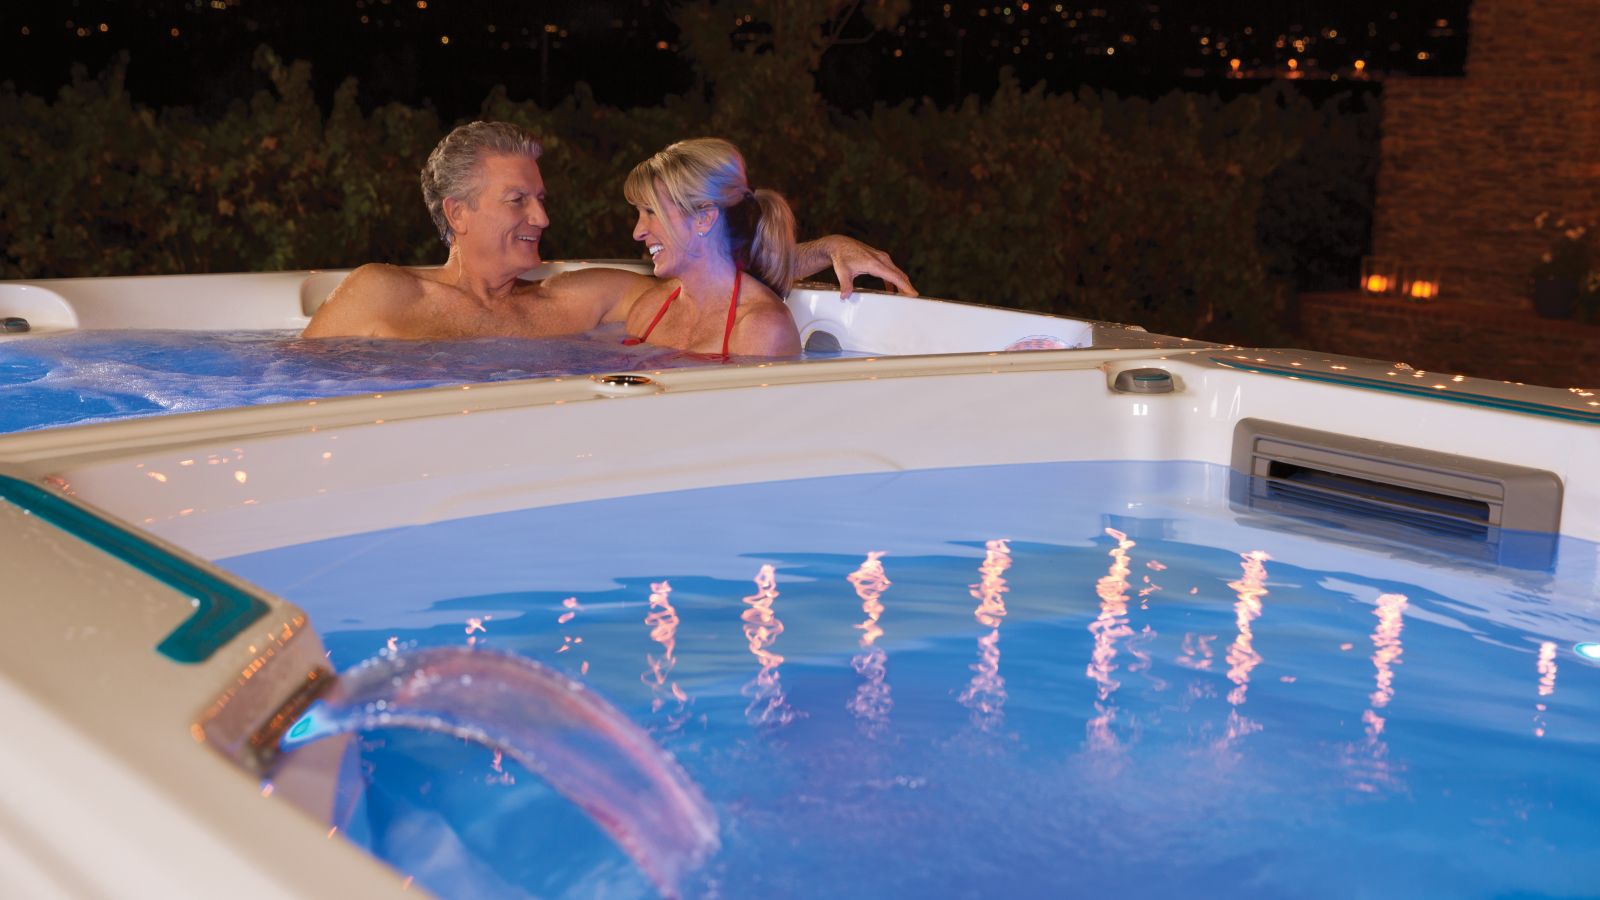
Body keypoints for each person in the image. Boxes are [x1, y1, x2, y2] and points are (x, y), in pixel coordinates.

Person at [303, 121, 912, 346]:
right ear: (457, 214)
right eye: (518, 201)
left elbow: (709, 276)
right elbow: (277, 390)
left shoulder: (571, 299)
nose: (542, 219)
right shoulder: (381, 295)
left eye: (541, 200)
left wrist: (825, 248)